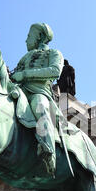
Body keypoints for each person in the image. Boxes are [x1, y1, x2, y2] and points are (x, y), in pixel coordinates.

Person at [11, 23, 64, 177]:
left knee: (39, 105)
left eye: (29, 36)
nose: (26, 40)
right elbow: (15, 76)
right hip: (20, 91)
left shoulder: (54, 53)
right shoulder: (24, 58)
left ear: (40, 37)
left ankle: (49, 151)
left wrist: (25, 75)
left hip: (39, 91)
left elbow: (55, 71)